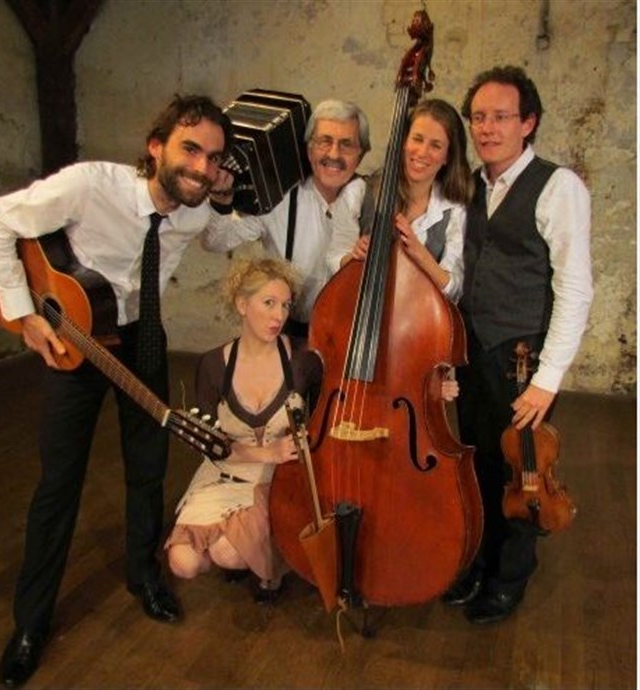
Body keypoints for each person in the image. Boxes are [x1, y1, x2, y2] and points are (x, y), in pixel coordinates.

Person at [0, 94, 234, 688]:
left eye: (214, 157)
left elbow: (223, 236)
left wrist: (226, 199)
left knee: (148, 467)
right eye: (190, 149)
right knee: (59, 482)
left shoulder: (195, 210)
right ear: (156, 147)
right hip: (76, 335)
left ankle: (144, 576)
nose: (201, 166)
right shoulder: (89, 186)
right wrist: (23, 315)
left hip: (143, 335)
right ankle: (31, 623)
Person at [445, 65, 593, 624]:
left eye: (501, 117)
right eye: (478, 117)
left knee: (522, 472)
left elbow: (575, 288)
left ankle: (509, 577)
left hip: (523, 360)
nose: (487, 128)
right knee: (479, 464)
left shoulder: (558, 186)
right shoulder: (471, 186)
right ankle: (479, 559)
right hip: (474, 352)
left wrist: (547, 380)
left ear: (527, 123)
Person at [165, 258, 322, 602]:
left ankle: (271, 563)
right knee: (183, 562)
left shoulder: (303, 361)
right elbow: (211, 445)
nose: (279, 316)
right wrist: (266, 451)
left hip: (275, 480)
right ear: (241, 304)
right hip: (227, 470)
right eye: (269, 303)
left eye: (285, 305)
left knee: (227, 554)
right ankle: (254, 551)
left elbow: (328, 418)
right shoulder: (212, 365)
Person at [201, 99, 372, 336]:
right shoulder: (277, 199)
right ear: (309, 149)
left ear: (361, 155)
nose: (334, 154)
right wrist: (221, 200)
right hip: (285, 332)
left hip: (348, 335)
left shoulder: (375, 201)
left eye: (346, 145)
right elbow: (215, 242)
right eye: (324, 141)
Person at [345, 98, 473, 402]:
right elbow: (331, 261)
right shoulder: (361, 191)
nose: (422, 152)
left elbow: (454, 288)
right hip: (360, 334)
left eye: (435, 145)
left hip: (418, 342)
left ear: (448, 157)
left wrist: (419, 253)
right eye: (417, 139)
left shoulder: (454, 211)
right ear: (403, 142)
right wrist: (352, 256)